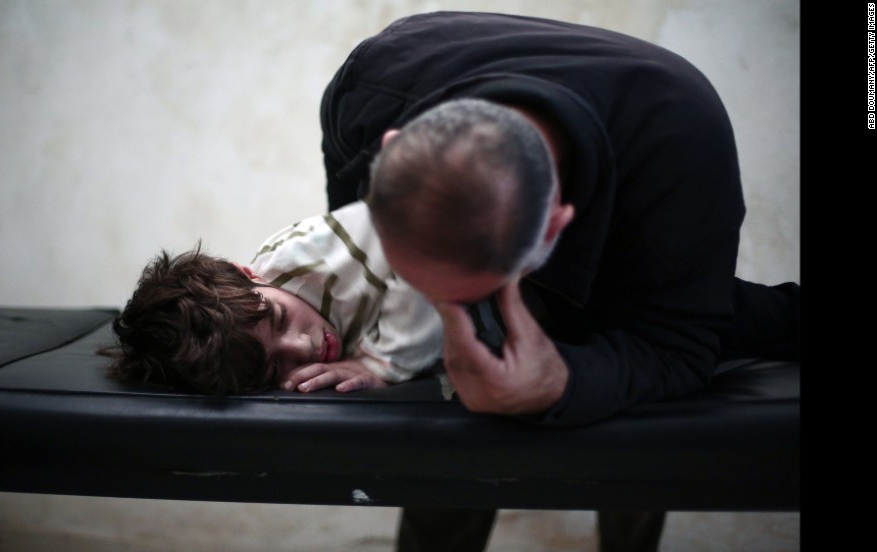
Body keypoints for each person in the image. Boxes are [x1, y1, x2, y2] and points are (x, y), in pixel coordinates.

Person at [319, 11, 799, 552]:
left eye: (461, 296)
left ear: (555, 228)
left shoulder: (682, 158)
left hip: (640, 219)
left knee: (615, 383)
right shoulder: (367, 86)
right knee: (454, 386)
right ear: (389, 148)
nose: (434, 307)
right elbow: (358, 251)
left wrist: (559, 384)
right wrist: (377, 348)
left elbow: (676, 348)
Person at [101, 199, 444, 396]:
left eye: (280, 317)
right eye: (275, 368)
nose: (304, 348)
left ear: (249, 275)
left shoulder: (305, 255)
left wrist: (381, 364)